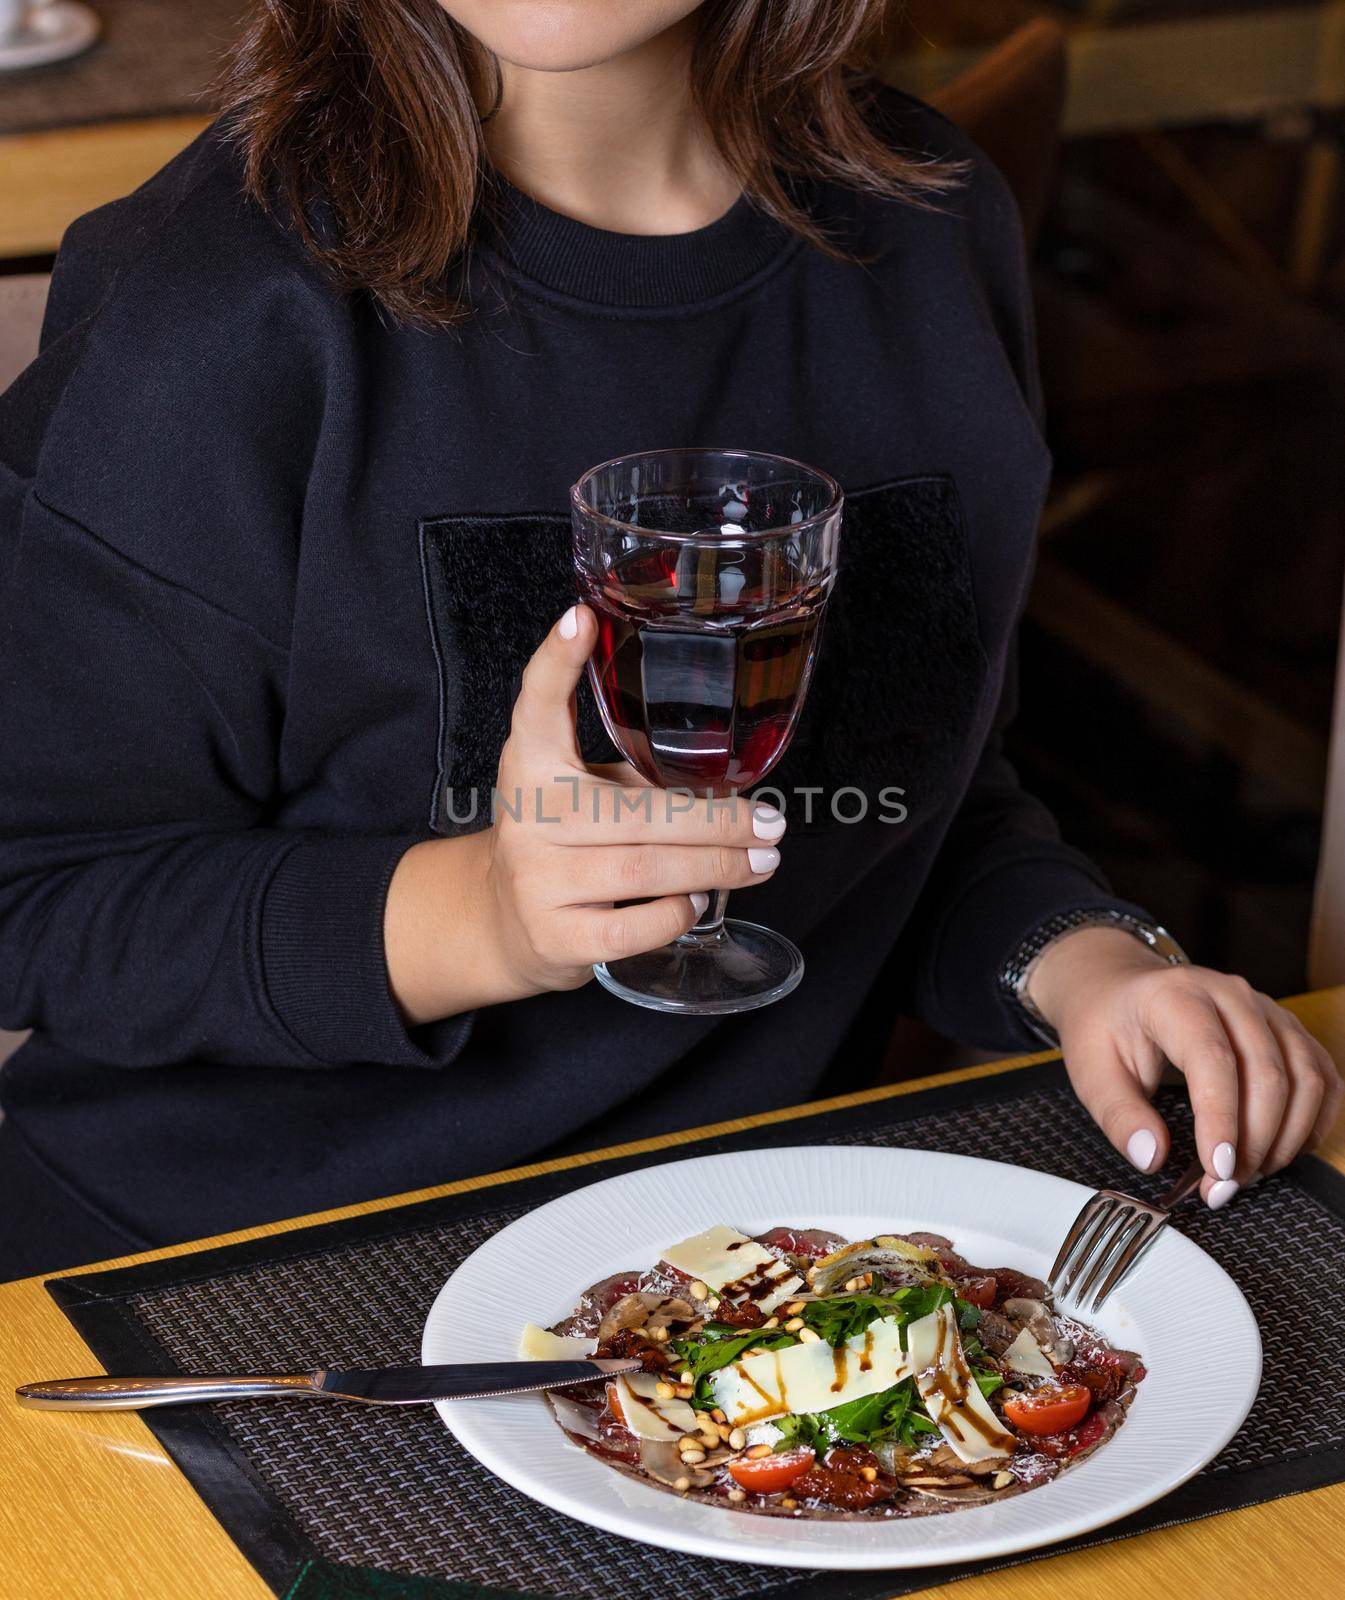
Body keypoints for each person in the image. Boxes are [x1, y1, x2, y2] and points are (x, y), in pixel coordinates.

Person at [0, 0, 1337, 1280]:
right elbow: (38, 900)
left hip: (726, 1269)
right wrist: (486, 916)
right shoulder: (218, 299)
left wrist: (1079, 961)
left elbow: (904, 787)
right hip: (236, 1278)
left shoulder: (934, 223)